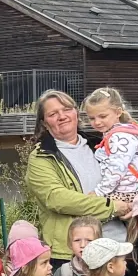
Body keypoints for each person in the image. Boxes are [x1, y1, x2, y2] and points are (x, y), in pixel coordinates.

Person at [23, 90, 132, 259]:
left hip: (118, 246)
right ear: (44, 123)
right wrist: (111, 207)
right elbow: (57, 198)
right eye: (53, 114)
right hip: (75, 254)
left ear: (76, 113)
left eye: (67, 109)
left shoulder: (100, 146)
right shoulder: (41, 157)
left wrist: (132, 203)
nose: (62, 116)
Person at [82, 88, 138, 206]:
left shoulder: (120, 138)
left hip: (123, 193)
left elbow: (116, 169)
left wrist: (98, 192)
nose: (97, 122)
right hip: (122, 191)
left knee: (88, 210)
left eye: (103, 116)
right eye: (92, 118)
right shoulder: (119, 133)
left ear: (118, 112)